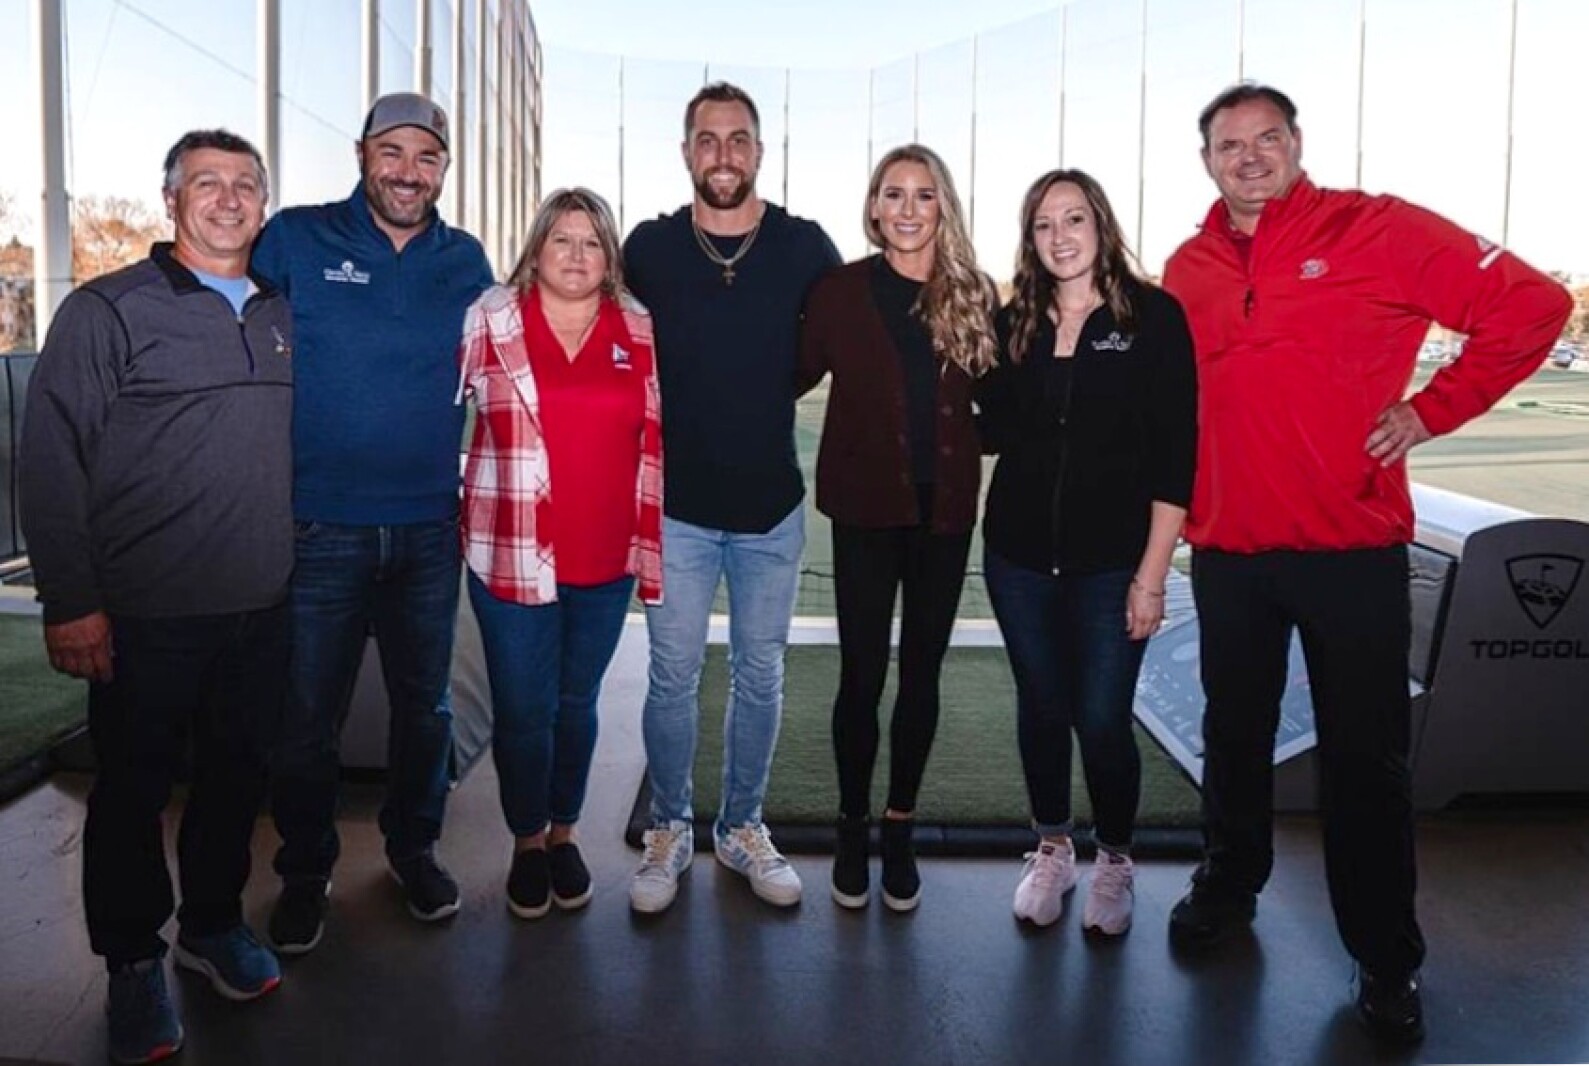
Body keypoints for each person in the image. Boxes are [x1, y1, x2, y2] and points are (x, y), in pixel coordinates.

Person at [1162, 82, 1572, 1043]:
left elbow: (1532, 305)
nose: (1249, 157)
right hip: (1227, 552)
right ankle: (1230, 881)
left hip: (1348, 549)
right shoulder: (1187, 266)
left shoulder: (1376, 228)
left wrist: (1431, 409)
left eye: (1267, 139)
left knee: (1364, 764)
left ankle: (1386, 958)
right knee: (1233, 733)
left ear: (1297, 145)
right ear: (1207, 161)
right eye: (1229, 145)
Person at [20, 129, 291, 1064]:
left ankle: (212, 926)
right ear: (169, 200)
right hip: (144, 613)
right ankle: (133, 963)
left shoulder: (277, 310)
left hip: (260, 607)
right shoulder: (109, 311)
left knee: (232, 781)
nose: (227, 199)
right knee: (133, 794)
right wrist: (71, 600)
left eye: (244, 185)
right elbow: (51, 462)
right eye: (206, 183)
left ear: (265, 202)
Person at [252, 92, 494, 951]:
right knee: (306, 716)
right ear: (362, 154)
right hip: (320, 528)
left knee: (422, 711)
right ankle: (306, 873)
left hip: (430, 531)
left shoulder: (465, 260)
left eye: (426, 157)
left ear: (442, 170)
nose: (407, 171)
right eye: (392, 152)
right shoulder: (296, 237)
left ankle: (413, 848)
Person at [623, 82, 841, 914]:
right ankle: (670, 828)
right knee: (672, 676)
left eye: (738, 139)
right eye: (706, 139)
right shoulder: (647, 246)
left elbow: (824, 346)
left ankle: (742, 825)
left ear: (759, 150)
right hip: (675, 508)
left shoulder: (802, 245)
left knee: (760, 675)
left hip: (769, 510)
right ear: (686, 152)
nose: (723, 154)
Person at [978, 169, 1196, 936]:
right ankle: (1051, 849)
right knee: (1041, 707)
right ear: (1029, 238)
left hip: (1113, 564)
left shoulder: (1153, 317)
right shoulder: (1016, 323)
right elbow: (990, 429)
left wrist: (1151, 577)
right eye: (1043, 224)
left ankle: (1114, 859)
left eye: (1074, 219)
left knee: (1101, 718)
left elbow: (1176, 456)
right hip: (1017, 556)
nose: (1060, 236)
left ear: (1101, 226)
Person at [795, 144, 996, 912]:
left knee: (921, 676)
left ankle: (899, 824)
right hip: (865, 513)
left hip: (943, 516)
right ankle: (852, 826)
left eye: (923, 194)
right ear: (873, 207)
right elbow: (787, 375)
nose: (907, 208)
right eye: (892, 194)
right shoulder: (840, 292)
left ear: (942, 205)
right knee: (860, 676)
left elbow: (1004, 401)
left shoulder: (972, 293)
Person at [457, 187, 662, 919]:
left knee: (575, 705)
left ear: (609, 257)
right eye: (562, 240)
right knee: (522, 709)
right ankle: (526, 841)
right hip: (510, 554)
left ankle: (565, 831)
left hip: (605, 560)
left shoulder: (636, 325)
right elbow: (436, 406)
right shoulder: (490, 317)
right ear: (536, 247)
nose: (576, 255)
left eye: (592, 242)